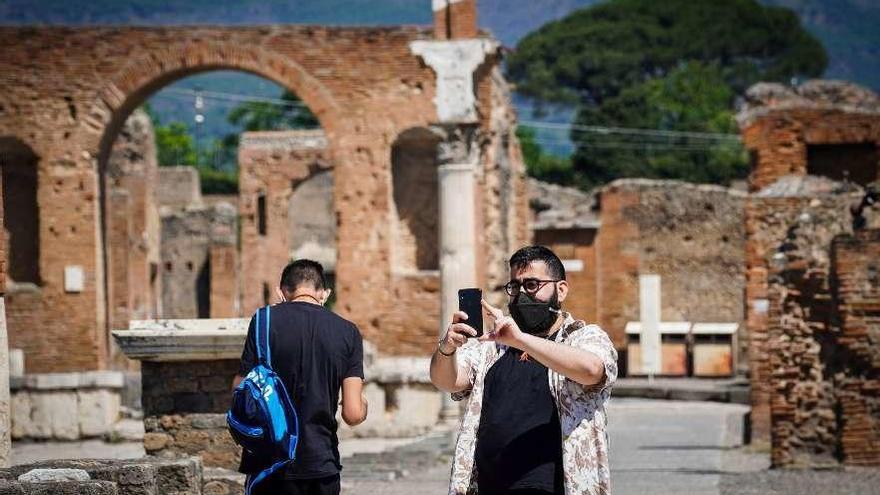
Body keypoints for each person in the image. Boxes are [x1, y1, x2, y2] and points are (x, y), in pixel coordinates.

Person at [430, 245, 618, 495]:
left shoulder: (583, 337)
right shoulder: (491, 348)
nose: (521, 295)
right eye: (515, 287)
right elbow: (447, 382)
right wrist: (447, 348)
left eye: (532, 285)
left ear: (560, 290)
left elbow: (592, 370)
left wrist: (520, 340)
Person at [234, 259, 368, 495]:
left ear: (282, 291)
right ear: (324, 293)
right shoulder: (348, 332)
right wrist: (363, 404)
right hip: (321, 464)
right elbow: (353, 414)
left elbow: (240, 388)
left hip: (270, 462)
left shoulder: (263, 321)